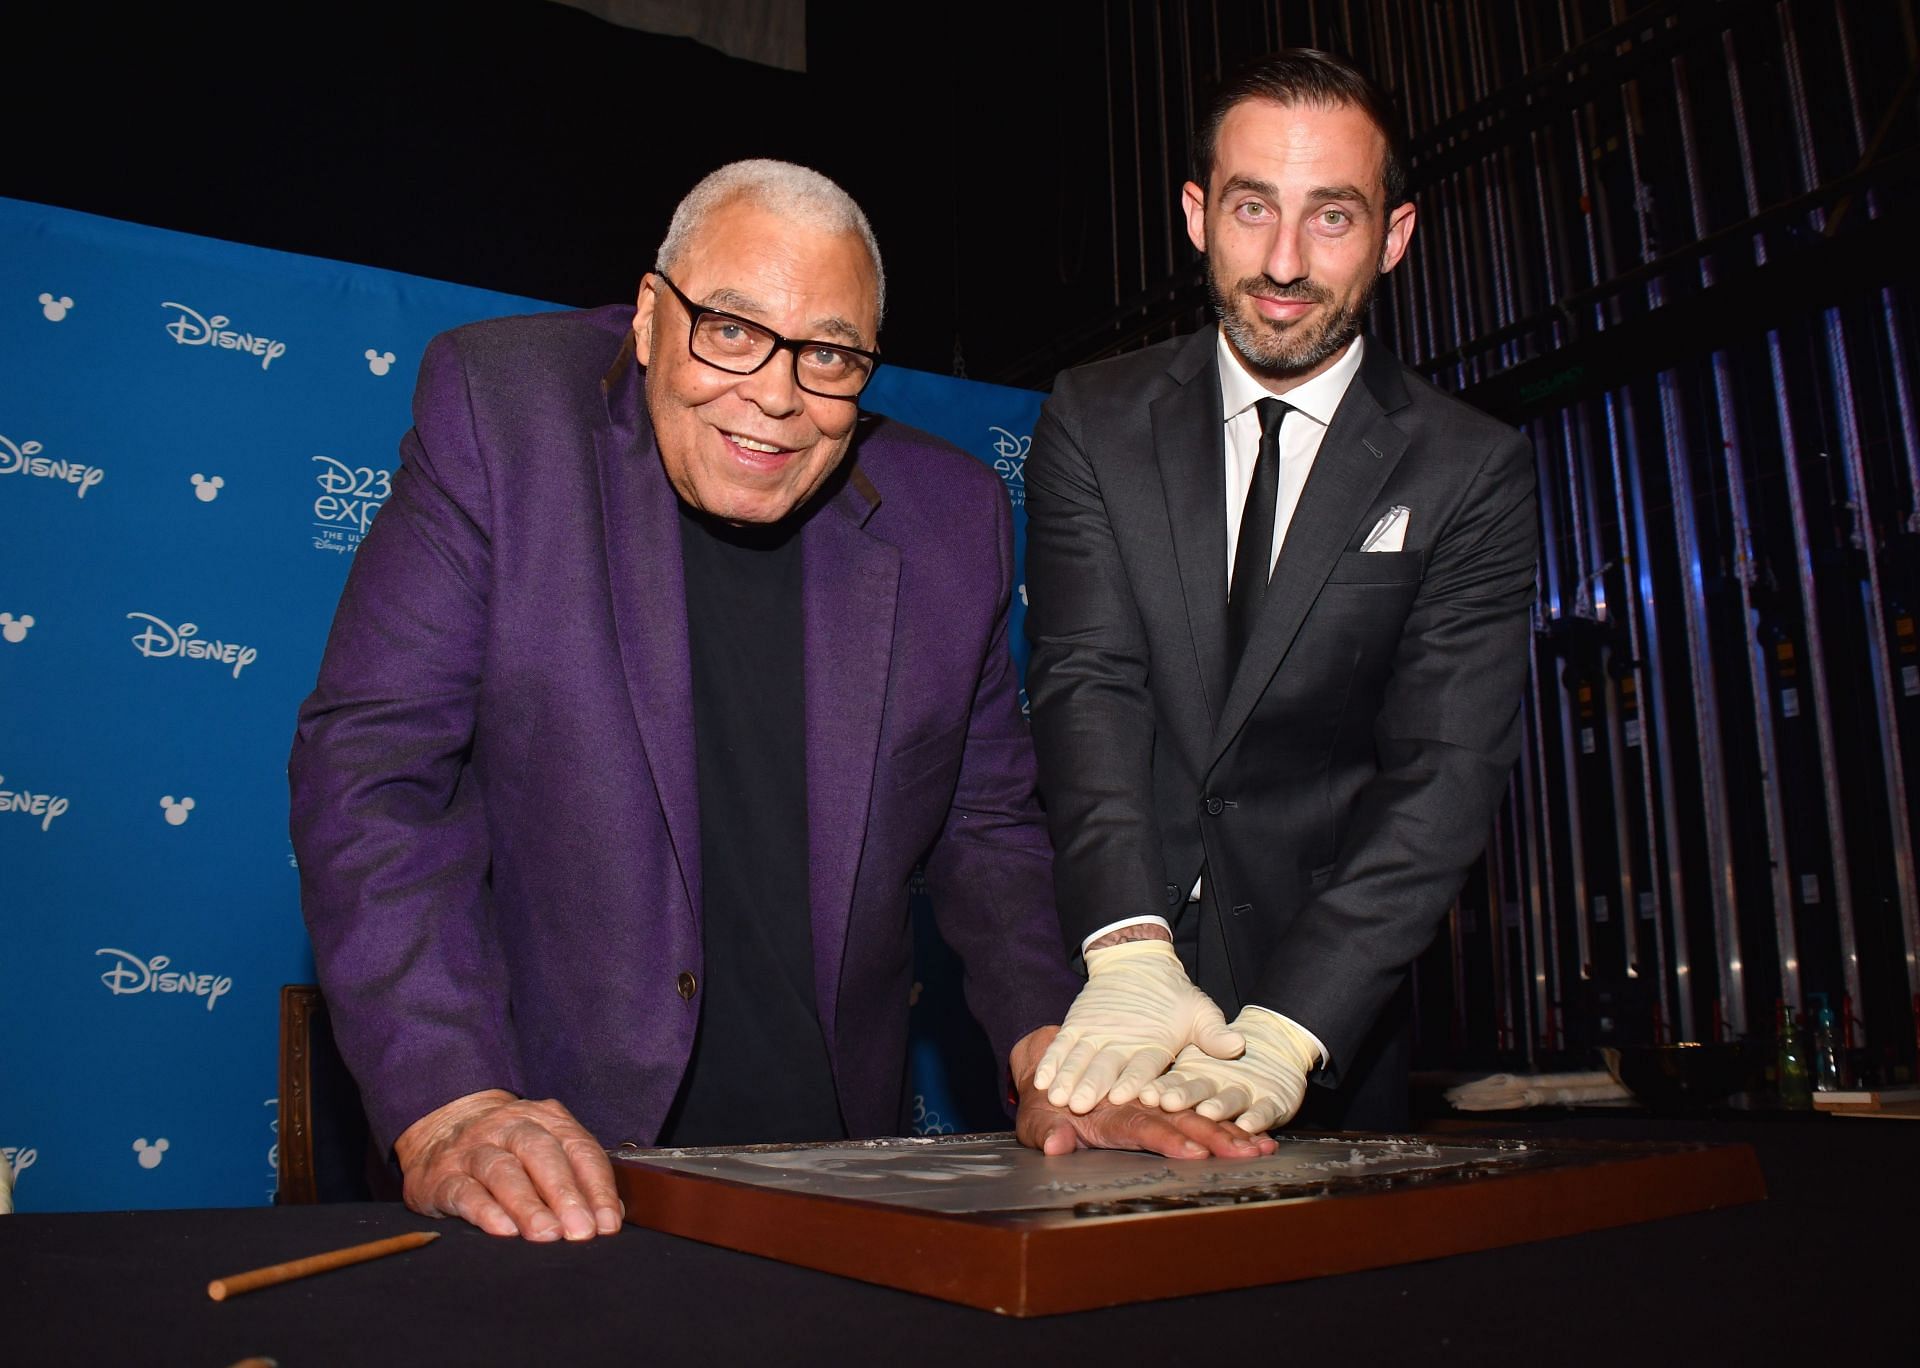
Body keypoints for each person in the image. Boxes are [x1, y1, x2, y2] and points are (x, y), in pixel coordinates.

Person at [289, 160, 1272, 1245]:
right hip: (542, 1158)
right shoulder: (503, 411)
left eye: (829, 355)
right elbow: (374, 773)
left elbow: (987, 829)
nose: (774, 392)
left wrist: (1058, 1049)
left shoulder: (951, 518)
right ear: (653, 319)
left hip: (832, 1170)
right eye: (731, 329)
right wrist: (452, 1099)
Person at [1024, 51, 1538, 1134]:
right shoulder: (1094, 417)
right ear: (1197, 214)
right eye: (1253, 208)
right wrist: (1124, 947)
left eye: (1334, 217)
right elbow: (1089, 681)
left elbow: (1444, 771)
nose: (1286, 262)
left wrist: (1296, 1024)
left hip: (1327, 1028)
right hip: (1105, 988)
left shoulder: (1468, 468)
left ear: (1395, 235)